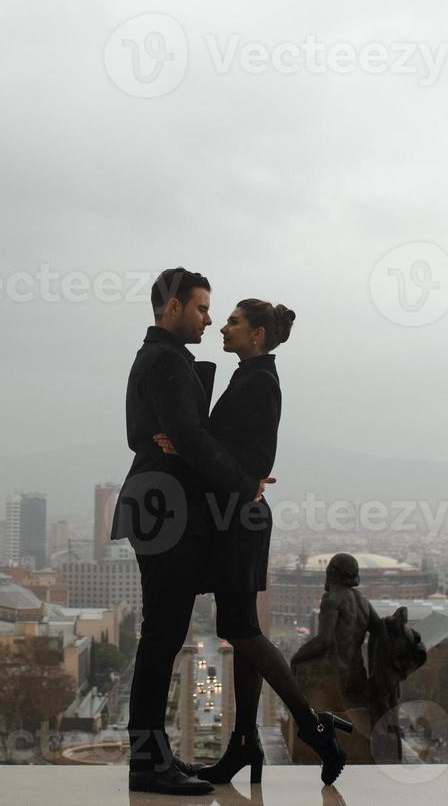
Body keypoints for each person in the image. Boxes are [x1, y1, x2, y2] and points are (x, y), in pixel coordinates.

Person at [155, 298, 352, 786]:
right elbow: (236, 449)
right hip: (238, 513)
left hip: (238, 516)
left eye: (234, 322)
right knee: (239, 626)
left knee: (242, 629)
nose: (223, 327)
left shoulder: (259, 380)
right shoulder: (251, 375)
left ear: (258, 334)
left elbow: (254, 452)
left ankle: (312, 725)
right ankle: (245, 741)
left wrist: (190, 446)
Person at [112, 267, 251, 795]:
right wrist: (243, 484)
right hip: (164, 508)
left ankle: (155, 757)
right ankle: (149, 763)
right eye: (200, 308)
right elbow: (188, 439)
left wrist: (184, 439)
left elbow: (162, 436)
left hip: (159, 505)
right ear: (172, 307)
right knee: (162, 636)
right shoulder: (166, 361)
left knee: (164, 636)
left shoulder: (159, 358)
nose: (209, 318)